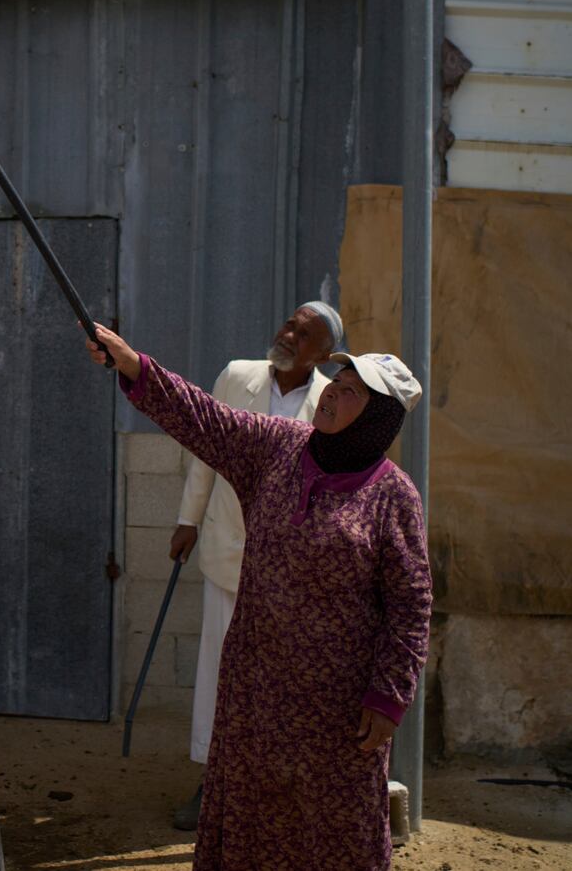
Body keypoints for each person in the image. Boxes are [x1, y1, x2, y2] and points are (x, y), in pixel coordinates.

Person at [89, 325, 431, 871]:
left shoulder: (393, 496)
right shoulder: (279, 447)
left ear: (377, 419)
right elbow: (205, 418)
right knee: (250, 818)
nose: (331, 395)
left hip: (336, 710)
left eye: (350, 393)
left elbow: (410, 607)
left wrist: (389, 697)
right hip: (256, 689)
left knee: (336, 828)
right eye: (335, 383)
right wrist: (134, 365)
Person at [167, 300, 345, 830]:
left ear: (325, 355)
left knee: (282, 682)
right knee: (219, 672)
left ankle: (270, 791)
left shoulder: (329, 403)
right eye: (290, 323)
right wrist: (188, 520)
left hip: (290, 575)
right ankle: (214, 783)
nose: (289, 334)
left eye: (305, 333)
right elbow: (207, 448)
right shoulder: (237, 376)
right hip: (227, 555)